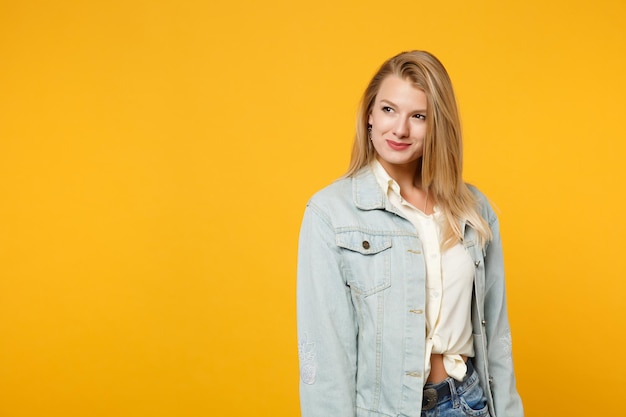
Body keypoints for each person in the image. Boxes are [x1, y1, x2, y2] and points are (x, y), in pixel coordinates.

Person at [296, 50, 523, 417]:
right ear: (369, 115)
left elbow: (497, 341)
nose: (400, 129)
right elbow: (324, 356)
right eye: (388, 110)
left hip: (467, 403)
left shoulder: (473, 209)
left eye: (418, 116)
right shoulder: (331, 213)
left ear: (438, 126)